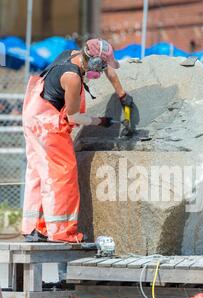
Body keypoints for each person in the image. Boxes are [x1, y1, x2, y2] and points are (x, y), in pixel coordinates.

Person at [22, 38, 133, 243]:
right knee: (62, 174)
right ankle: (62, 231)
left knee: (38, 172)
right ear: (93, 63)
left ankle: (35, 228)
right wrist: (99, 121)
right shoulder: (72, 77)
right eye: (100, 68)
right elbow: (73, 117)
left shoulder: (73, 54)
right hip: (49, 126)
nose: (101, 73)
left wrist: (122, 94)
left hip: (34, 117)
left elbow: (108, 69)